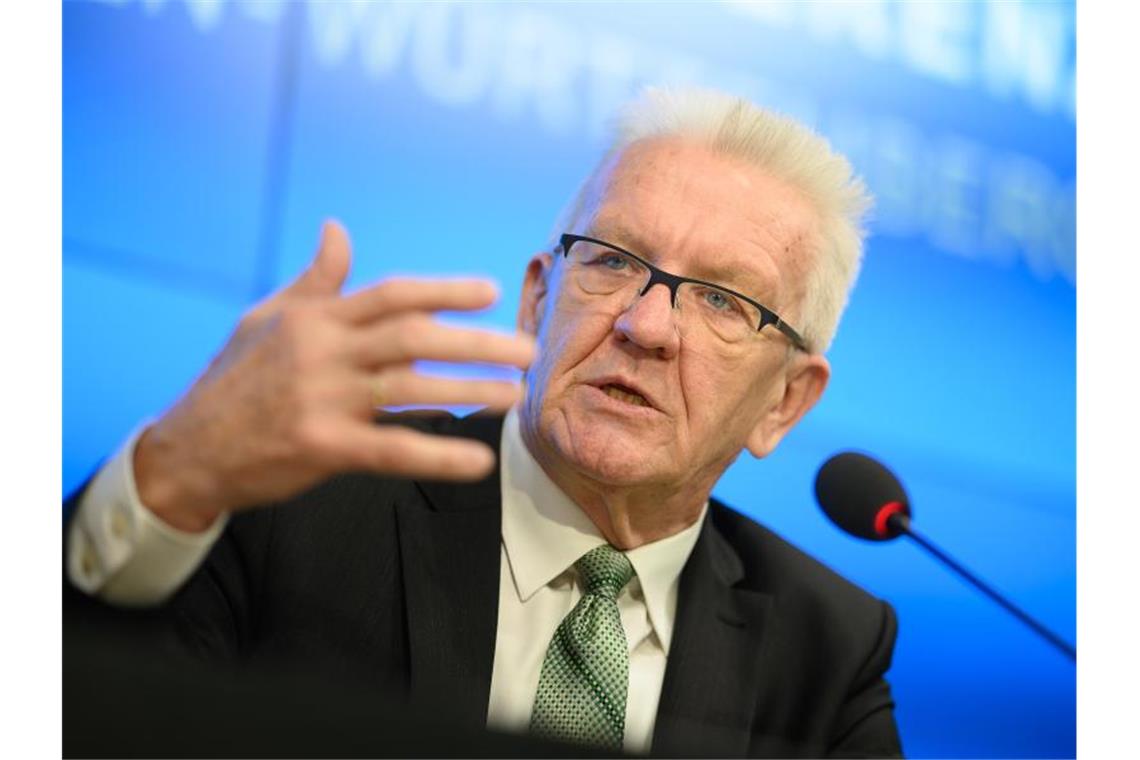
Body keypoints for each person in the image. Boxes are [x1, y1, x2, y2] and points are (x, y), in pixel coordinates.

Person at [64, 87, 903, 757]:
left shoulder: (826, 651)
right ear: (537, 304)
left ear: (785, 402)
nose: (644, 326)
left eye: (723, 299)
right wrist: (169, 478)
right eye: (613, 261)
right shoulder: (306, 501)